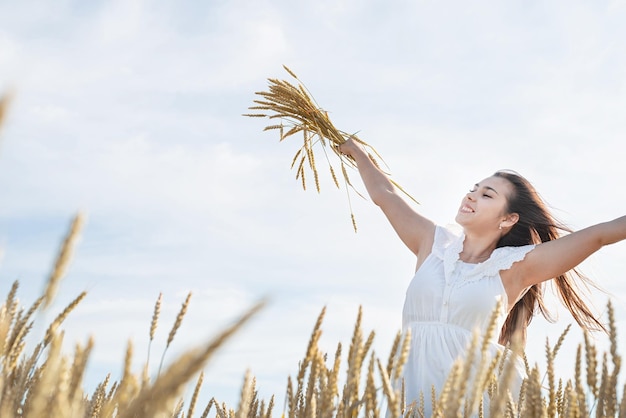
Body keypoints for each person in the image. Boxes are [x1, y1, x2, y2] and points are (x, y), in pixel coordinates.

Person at [338, 137, 626, 415]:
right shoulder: (432, 244)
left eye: (487, 195)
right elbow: (385, 196)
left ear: (508, 219)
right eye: (474, 189)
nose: (471, 195)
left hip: (478, 405)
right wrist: (356, 151)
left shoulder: (516, 267)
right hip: (412, 401)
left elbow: (598, 236)